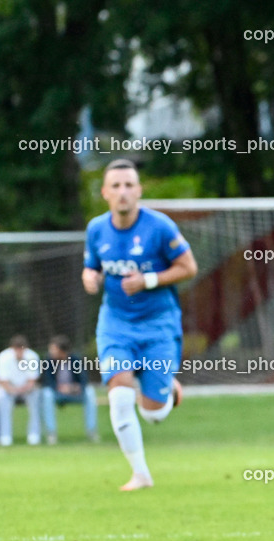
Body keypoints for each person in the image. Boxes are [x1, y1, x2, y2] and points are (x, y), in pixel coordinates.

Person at [83, 158, 198, 491]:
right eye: (116, 186)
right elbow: (91, 267)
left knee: (153, 413)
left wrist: (148, 280)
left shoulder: (159, 227)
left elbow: (188, 267)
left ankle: (167, 391)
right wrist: (90, 277)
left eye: (129, 185)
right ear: (105, 192)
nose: (123, 192)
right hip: (115, 323)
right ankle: (140, 474)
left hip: (158, 324)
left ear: (139, 191)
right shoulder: (96, 229)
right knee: (119, 394)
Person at [40, 335, 99, 444]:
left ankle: (92, 431)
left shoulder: (76, 359)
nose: (51, 352)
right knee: (47, 394)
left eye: (53, 349)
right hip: (57, 393)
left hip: (75, 393)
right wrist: (60, 388)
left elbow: (84, 379)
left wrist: (72, 388)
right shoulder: (48, 360)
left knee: (90, 392)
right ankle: (51, 433)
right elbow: (47, 381)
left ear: (62, 351)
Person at [0, 335, 42, 446]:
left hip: (26, 389)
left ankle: (34, 435)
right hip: (9, 389)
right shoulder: (3, 357)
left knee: (36, 395)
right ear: (12, 348)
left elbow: (32, 380)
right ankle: (5, 436)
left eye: (22, 349)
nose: (19, 352)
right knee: (2, 396)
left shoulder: (32, 357)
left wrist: (23, 389)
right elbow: (3, 382)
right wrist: (13, 390)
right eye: (17, 349)